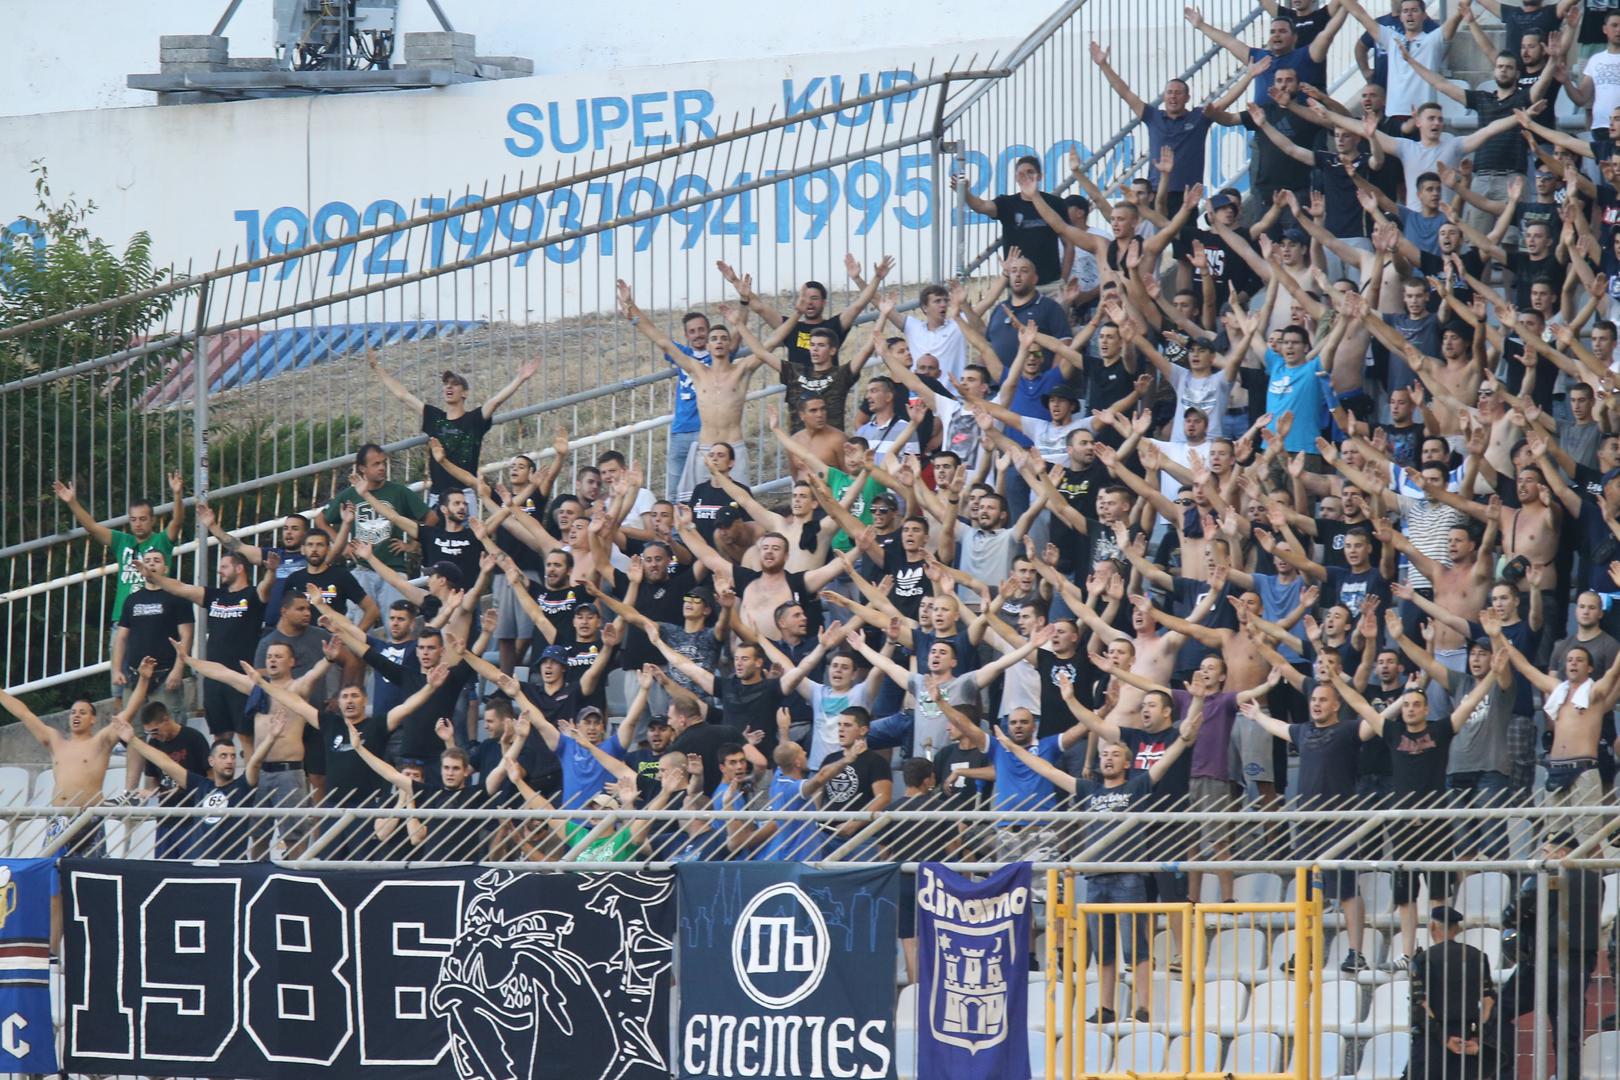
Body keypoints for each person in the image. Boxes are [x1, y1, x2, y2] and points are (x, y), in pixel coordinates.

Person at [992, 692, 1203, 1022]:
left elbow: (1165, 761)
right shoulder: (1088, 790)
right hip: (1095, 877)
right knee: (1104, 950)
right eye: (1104, 754)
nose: (1107, 758)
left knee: (1136, 947)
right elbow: (1046, 769)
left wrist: (1183, 739)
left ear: (1127, 763)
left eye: (1115, 754)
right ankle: (1106, 1008)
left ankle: (1143, 1007)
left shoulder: (1137, 786)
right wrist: (1012, 748)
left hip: (1129, 876)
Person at [369, 348, 539, 499]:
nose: (449, 387)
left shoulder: (474, 419)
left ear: (465, 393)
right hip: (437, 495)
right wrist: (377, 368)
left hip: (464, 494)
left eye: (455, 384)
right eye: (446, 384)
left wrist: (520, 378)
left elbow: (495, 401)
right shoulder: (434, 416)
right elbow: (403, 395)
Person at [116, 711, 282, 859]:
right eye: (223, 756)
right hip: (199, 864)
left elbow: (255, 763)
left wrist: (271, 738)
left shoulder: (242, 786)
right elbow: (166, 763)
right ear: (211, 761)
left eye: (232, 756)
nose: (229, 761)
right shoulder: (201, 785)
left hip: (232, 866)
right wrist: (133, 740)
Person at [139, 550, 269, 739]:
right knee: (220, 736)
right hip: (213, 678)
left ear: (239, 568)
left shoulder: (253, 594)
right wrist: (153, 577)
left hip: (241, 678)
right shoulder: (214, 595)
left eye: (224, 567)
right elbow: (180, 588)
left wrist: (272, 571)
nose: (219, 571)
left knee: (246, 736)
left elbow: (267, 587)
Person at [0, 657, 154, 814]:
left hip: (89, 816)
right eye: (73, 712)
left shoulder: (100, 742)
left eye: (82, 712)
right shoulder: (55, 742)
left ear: (93, 719)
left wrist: (143, 679)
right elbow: (25, 714)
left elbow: (129, 711)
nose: (76, 715)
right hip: (58, 816)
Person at [1410, 905, 1498, 1080]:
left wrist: (1445, 1038)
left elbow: (1421, 1005)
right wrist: (1476, 1036)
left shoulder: (1423, 959)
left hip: (1433, 1041)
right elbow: (1488, 1002)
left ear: (1432, 926)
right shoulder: (1478, 956)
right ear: (1457, 928)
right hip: (1467, 1039)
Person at [953, 156, 1073, 285]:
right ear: (1016, 178)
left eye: (1030, 172)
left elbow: (1069, 244)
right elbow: (980, 206)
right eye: (1021, 174)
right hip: (1017, 285)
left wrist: (1063, 280)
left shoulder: (1056, 203)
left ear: (1039, 176)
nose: (1026, 176)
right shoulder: (1006, 203)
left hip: (1050, 284)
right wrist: (965, 192)